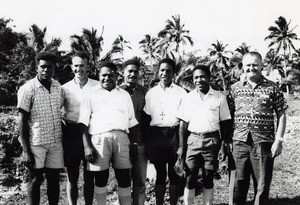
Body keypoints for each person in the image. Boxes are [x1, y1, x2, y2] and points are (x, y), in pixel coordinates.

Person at [228, 52, 287, 205]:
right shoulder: (235, 89)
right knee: (237, 185)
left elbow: (281, 114)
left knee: (262, 185)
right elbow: (228, 116)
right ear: (243, 67)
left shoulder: (272, 88)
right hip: (239, 142)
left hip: (264, 143)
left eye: (255, 64)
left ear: (262, 66)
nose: (251, 68)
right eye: (248, 65)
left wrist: (278, 140)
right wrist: (227, 140)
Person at [78, 61, 138, 205]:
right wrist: (87, 147)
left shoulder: (124, 94)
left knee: (124, 177)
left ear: (116, 76)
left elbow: (132, 122)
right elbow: (83, 123)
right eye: (103, 75)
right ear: (99, 76)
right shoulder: (90, 94)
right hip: (99, 139)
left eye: (110, 75)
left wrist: (134, 144)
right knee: (100, 179)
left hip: (122, 138)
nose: (107, 78)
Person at [176, 64, 232, 205]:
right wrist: (182, 148)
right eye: (196, 78)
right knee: (190, 177)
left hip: (212, 141)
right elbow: (183, 124)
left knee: (208, 177)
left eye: (202, 76)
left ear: (209, 77)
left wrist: (223, 145)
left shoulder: (219, 97)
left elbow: (225, 124)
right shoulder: (188, 98)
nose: (199, 80)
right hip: (193, 141)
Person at [18, 51, 63, 205]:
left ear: (54, 68)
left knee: (54, 180)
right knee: (35, 179)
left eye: (49, 67)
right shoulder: (28, 89)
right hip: (36, 143)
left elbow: (61, 110)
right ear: (37, 68)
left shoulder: (58, 87)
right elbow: (22, 121)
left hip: (56, 141)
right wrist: (26, 151)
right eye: (42, 67)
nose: (46, 70)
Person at [144, 58, 187, 205]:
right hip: (157, 136)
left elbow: (183, 120)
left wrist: (181, 145)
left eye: (168, 70)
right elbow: (147, 119)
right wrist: (149, 143)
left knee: (174, 175)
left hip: (174, 134)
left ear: (173, 73)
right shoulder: (151, 93)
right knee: (160, 174)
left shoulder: (181, 92)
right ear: (158, 72)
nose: (165, 73)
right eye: (162, 70)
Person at [62, 51, 98, 205]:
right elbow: (57, 111)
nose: (79, 69)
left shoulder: (97, 85)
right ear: (71, 67)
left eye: (82, 65)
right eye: (76, 66)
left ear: (87, 66)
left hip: (92, 132)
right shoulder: (64, 88)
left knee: (90, 175)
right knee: (72, 175)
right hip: (71, 133)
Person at [120, 59, 148, 205]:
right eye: (129, 71)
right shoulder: (116, 92)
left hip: (141, 143)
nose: (132, 74)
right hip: (123, 144)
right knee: (124, 182)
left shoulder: (144, 92)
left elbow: (147, 118)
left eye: (135, 71)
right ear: (122, 72)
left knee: (140, 183)